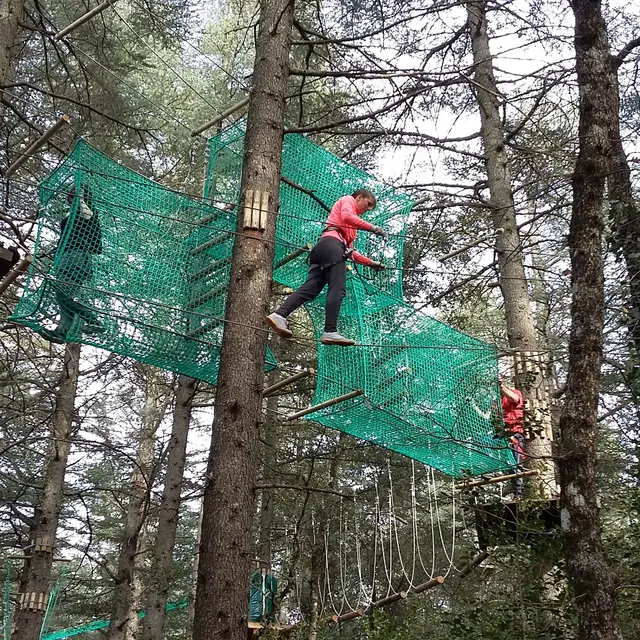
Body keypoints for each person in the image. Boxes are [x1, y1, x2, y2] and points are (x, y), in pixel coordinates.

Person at [265, 189, 386, 346]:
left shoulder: (351, 229)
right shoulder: (347, 200)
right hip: (332, 247)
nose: (368, 209)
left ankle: (279, 315)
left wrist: (371, 263)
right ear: (359, 197)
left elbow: (350, 252)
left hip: (324, 248)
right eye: (368, 204)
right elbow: (347, 217)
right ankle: (330, 331)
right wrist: (373, 228)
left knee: (310, 289)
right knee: (338, 288)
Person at [40, 185, 104, 344]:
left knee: (63, 295)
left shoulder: (88, 211)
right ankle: (61, 333)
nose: (71, 194)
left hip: (76, 258)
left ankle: (94, 320)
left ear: (84, 197)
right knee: (63, 297)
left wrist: (81, 199)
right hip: (65, 259)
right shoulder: (73, 214)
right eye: (71, 192)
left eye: (76, 192)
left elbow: (88, 217)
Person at [499, 375, 526, 499]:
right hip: (504, 435)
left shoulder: (515, 393)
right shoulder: (499, 400)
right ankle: (513, 488)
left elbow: (514, 398)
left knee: (516, 464)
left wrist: (501, 386)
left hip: (515, 433)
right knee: (509, 464)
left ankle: (519, 494)